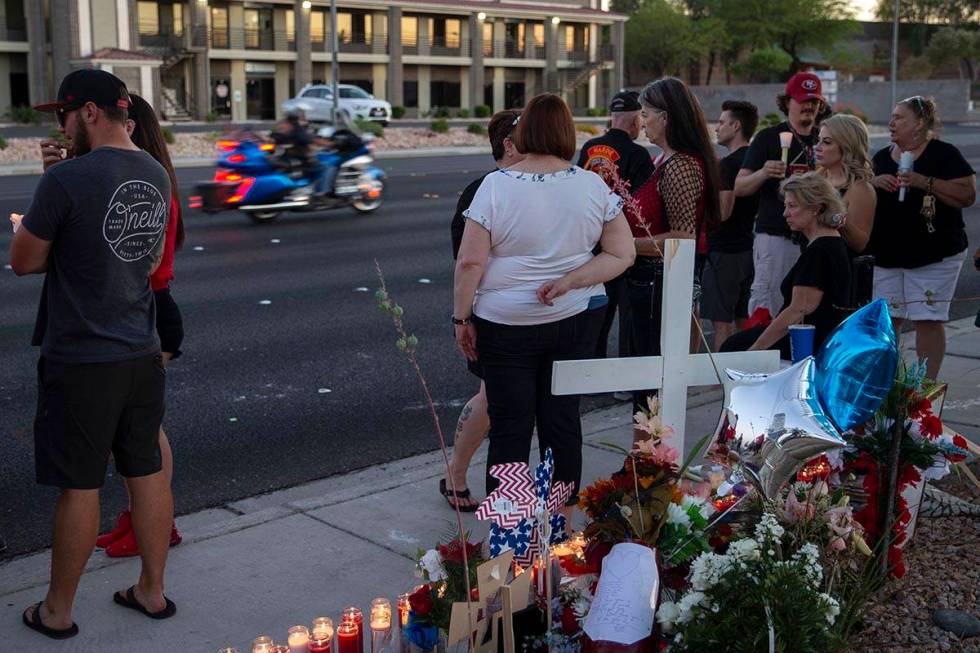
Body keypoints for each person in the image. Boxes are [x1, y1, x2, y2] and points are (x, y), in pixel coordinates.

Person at [11, 69, 176, 639]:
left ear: (88, 112)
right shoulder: (155, 172)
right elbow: (151, 261)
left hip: (82, 356)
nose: (58, 124)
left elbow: (24, 260)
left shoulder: (66, 181)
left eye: (62, 113)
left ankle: (57, 611)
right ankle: (152, 591)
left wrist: (35, 215)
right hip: (140, 349)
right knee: (146, 472)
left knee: (79, 484)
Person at [453, 93, 634, 507]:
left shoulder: (495, 186)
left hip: (505, 325)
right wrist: (572, 279)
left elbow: (469, 263)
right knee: (562, 422)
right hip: (571, 320)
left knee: (510, 428)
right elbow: (621, 254)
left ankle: (510, 535)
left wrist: (462, 320)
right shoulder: (591, 184)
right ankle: (561, 524)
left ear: (524, 131)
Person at [92, 94, 185, 557]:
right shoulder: (149, 179)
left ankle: (157, 523)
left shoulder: (148, 186)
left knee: (142, 434)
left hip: (151, 308)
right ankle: (139, 518)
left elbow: (142, 265)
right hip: (149, 308)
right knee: (133, 433)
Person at [628, 77, 722, 440]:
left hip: (660, 283)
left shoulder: (683, 165)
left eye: (647, 113)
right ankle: (643, 462)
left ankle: (650, 465)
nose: (642, 120)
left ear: (666, 117)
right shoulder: (664, 159)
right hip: (647, 280)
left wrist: (626, 246)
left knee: (653, 382)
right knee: (644, 381)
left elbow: (682, 238)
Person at [442, 109, 524, 512]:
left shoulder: (527, 185)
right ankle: (456, 474)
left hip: (521, 313)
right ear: (509, 145)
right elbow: (467, 261)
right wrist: (464, 316)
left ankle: (460, 474)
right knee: (491, 398)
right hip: (491, 312)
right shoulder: (482, 191)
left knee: (499, 399)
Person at [866, 96, 976, 380]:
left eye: (899, 118)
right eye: (891, 117)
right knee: (889, 320)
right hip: (888, 255)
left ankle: (924, 386)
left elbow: (967, 195)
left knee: (927, 318)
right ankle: (890, 381)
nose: (891, 123)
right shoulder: (880, 158)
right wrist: (873, 183)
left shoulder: (944, 154)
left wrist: (923, 181)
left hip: (934, 254)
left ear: (919, 124)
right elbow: (860, 193)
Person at [721, 172, 851, 358]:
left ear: (816, 208)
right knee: (735, 344)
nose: (785, 213)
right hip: (820, 337)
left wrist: (756, 350)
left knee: (732, 348)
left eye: (792, 206)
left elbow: (798, 310)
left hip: (809, 342)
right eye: (785, 206)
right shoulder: (829, 242)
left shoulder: (819, 250)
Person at [736, 72, 824, 327]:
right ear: (787, 102)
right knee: (769, 308)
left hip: (814, 240)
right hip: (777, 238)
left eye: (814, 102)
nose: (809, 107)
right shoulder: (768, 137)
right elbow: (740, 187)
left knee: (807, 312)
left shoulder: (824, 139)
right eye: (802, 101)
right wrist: (764, 172)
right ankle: (763, 363)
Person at [577, 90, 655, 360]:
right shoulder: (639, 155)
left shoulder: (589, 149)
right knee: (628, 314)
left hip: (590, 241)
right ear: (634, 121)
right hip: (625, 244)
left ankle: (590, 370)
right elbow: (644, 203)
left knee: (595, 310)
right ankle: (624, 377)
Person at [701, 100, 760, 351]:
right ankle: (744, 372)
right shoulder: (754, 160)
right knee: (742, 316)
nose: (716, 128)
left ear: (736, 126)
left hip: (725, 252)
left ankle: (720, 382)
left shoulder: (728, 164)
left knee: (721, 320)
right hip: (749, 247)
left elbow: (723, 212)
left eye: (722, 122)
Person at [814, 114, 876, 255]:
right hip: (811, 261)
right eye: (818, 140)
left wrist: (840, 219)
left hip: (839, 267)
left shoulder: (860, 188)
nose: (817, 147)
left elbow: (859, 244)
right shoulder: (815, 179)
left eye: (827, 142)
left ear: (847, 146)